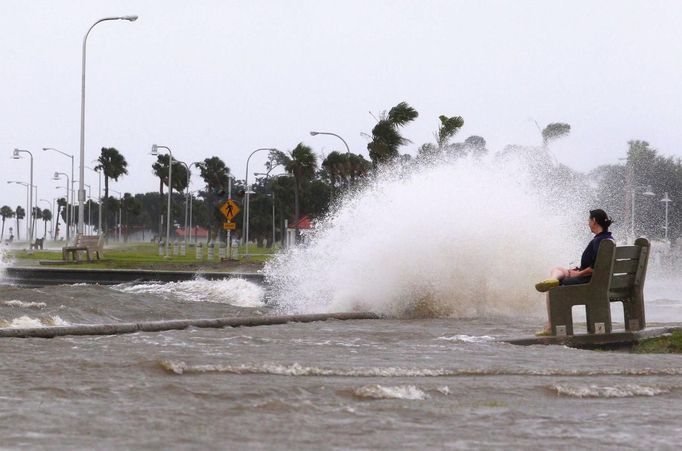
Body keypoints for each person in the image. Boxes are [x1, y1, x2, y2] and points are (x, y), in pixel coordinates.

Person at [534, 209, 614, 335]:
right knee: (558, 269)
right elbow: (597, 266)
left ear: (594, 221)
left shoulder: (600, 241)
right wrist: (578, 271)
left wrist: (578, 273)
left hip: (589, 281)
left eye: (589, 220)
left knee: (553, 290)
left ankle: (551, 327)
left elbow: (594, 269)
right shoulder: (607, 239)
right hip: (597, 280)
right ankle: (554, 278)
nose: (587, 223)